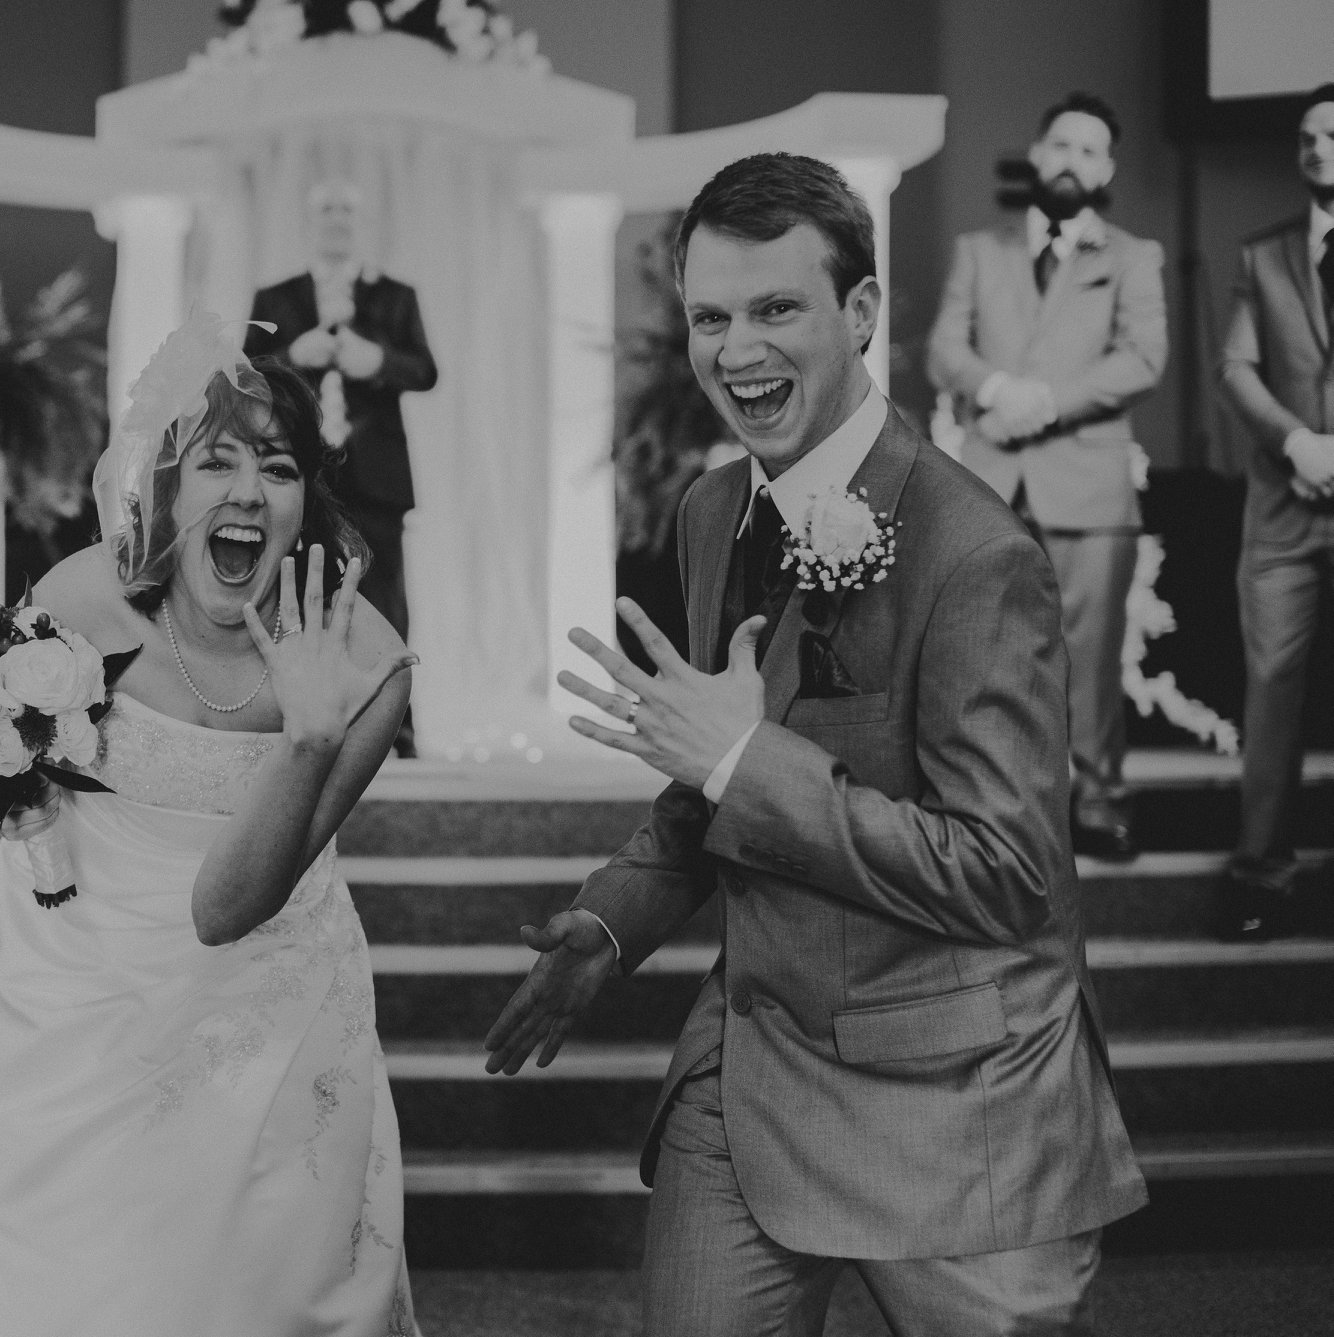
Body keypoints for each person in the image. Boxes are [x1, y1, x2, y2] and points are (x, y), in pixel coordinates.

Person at [485, 154, 1144, 1335]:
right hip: (753, 1073)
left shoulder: (973, 552)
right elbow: (711, 785)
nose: (735, 350)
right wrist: (607, 922)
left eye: (775, 309)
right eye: (708, 316)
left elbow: (1004, 872)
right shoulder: (706, 511)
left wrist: (744, 761)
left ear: (860, 311)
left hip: (954, 1096)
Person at [0, 315, 421, 1336]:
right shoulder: (82, 595)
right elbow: (19, 766)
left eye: (279, 465)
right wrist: (22, 805)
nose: (248, 492)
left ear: (308, 496)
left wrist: (307, 740)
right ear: (166, 483)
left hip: (263, 1005)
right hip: (64, 985)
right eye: (215, 461)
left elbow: (227, 908)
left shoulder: (370, 668)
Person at [927, 92, 1168, 863]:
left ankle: (1099, 804)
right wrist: (997, 392)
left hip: (1089, 487)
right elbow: (945, 350)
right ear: (1037, 153)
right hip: (987, 482)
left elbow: (1143, 359)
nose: (1072, 159)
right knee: (982, 653)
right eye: (1061, 143)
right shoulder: (978, 248)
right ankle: (993, 808)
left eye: (1091, 150)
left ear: (1107, 171)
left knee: (1089, 657)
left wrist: (1043, 403)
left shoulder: (1134, 256)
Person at [247, 179, 436, 755]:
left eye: (346, 210)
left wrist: (376, 359)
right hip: (303, 472)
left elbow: (425, 370)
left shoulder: (395, 295)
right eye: (325, 207)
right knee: (293, 589)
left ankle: (395, 729)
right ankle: (295, 717)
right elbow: (243, 367)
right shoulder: (276, 296)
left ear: (360, 222)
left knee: (385, 598)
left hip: (377, 475)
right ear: (310, 221)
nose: (335, 218)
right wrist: (290, 358)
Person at [1213, 83, 1334, 940]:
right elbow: (1237, 369)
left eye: (1333, 134)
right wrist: (1299, 444)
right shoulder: (1263, 257)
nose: (1318, 148)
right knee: (1273, 689)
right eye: (1306, 137)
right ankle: (1263, 871)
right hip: (1284, 510)